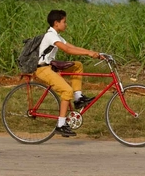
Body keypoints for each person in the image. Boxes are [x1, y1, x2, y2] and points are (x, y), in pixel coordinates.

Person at [35, 9, 102, 137]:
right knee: (66, 91)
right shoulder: (50, 36)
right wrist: (88, 53)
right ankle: (60, 124)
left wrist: (94, 53)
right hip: (43, 69)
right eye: (64, 22)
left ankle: (78, 98)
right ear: (56, 23)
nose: (66, 24)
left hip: (51, 66)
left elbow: (73, 47)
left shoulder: (57, 35)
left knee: (77, 66)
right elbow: (67, 50)